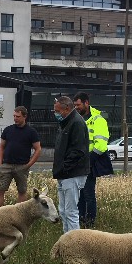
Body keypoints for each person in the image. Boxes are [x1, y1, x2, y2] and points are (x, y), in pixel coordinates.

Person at [73, 92, 114, 228]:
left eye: (78, 105)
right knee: (80, 196)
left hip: (89, 162)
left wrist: (89, 160)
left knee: (88, 194)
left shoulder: (98, 120)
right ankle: (81, 221)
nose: (76, 107)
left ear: (86, 103)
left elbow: (101, 145)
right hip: (79, 162)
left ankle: (89, 223)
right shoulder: (77, 118)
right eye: (75, 105)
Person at [52, 96, 90, 233]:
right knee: (63, 210)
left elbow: (78, 151)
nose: (55, 113)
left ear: (66, 109)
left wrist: (64, 167)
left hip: (72, 174)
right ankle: (66, 239)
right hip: (65, 174)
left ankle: (75, 243)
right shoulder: (66, 122)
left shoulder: (76, 123)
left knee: (71, 211)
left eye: (57, 111)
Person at [0, 106, 42, 208]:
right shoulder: (8, 130)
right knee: (0, 190)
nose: (15, 118)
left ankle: (19, 215)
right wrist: (0, 163)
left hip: (22, 166)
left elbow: (38, 149)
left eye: (18, 116)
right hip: (6, 165)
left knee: (22, 191)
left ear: (24, 117)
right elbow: (1, 146)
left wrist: (29, 164)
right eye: (14, 116)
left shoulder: (31, 132)